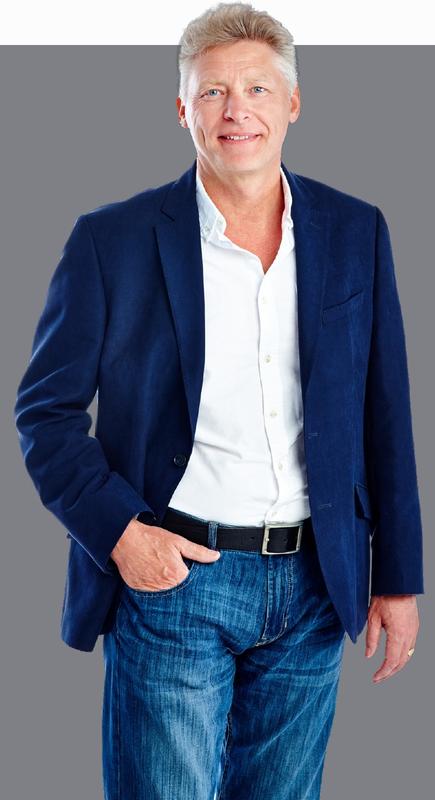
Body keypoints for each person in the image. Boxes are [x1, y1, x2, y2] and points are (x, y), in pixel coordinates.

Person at [14, 3, 424, 799]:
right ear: (182, 110)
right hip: (175, 580)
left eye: (257, 89)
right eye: (212, 93)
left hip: (316, 584)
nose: (237, 111)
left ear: (292, 103)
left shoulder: (354, 230)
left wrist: (398, 577)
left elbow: (386, 413)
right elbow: (45, 414)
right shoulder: (112, 240)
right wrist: (120, 534)